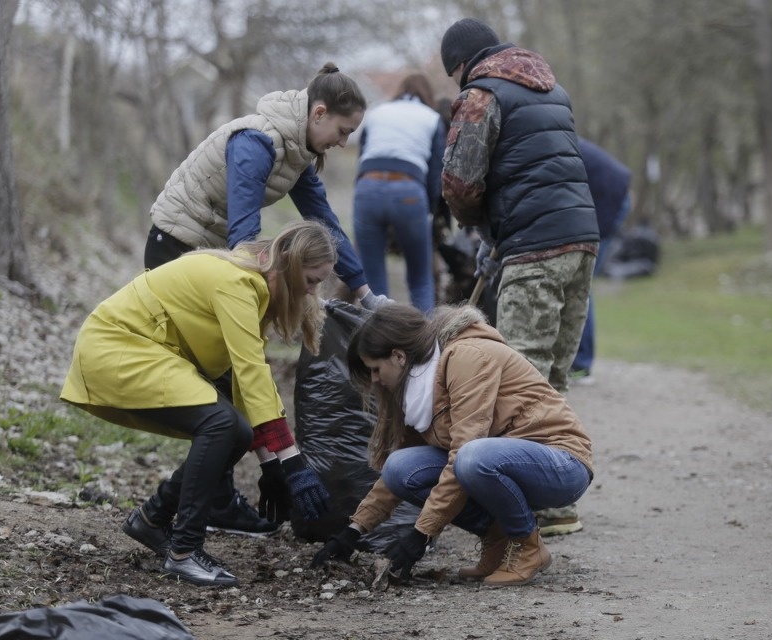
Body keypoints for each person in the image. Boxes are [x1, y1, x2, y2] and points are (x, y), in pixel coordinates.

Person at [144, 62, 390, 537]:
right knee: (216, 385)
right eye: (343, 130)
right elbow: (243, 237)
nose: (344, 142)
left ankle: (214, 496)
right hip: (178, 250)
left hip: (213, 254)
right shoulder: (257, 141)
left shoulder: (295, 150)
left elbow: (326, 227)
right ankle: (208, 502)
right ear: (319, 113)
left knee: (224, 382)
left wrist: (364, 294)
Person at [60, 221, 337, 587]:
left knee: (233, 428)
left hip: (147, 351)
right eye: (313, 279)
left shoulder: (252, 281)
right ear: (289, 262)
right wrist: (294, 464)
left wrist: (271, 464)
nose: (313, 291)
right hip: (117, 347)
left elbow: (245, 380)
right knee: (222, 424)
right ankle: (184, 552)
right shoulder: (239, 283)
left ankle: (152, 519)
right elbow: (252, 374)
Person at [438, 18, 599, 536]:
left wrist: (473, 226)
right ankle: (556, 506)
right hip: (581, 240)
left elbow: (460, 181)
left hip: (534, 248)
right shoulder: (553, 89)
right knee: (551, 378)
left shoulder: (480, 95)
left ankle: (523, 511)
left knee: (519, 380)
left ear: (461, 65)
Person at [309, 304, 593, 586]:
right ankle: (498, 538)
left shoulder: (466, 358)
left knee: (471, 457)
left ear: (397, 356)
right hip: (503, 460)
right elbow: (400, 470)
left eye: (374, 369)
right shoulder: (418, 390)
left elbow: (464, 451)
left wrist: (420, 535)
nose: (374, 380)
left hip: (562, 463)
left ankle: (528, 547)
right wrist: (354, 530)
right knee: (400, 469)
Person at [352, 73, 446, 313]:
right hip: (409, 189)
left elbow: (362, 155)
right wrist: (430, 212)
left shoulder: (377, 113)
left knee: (372, 286)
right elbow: (436, 173)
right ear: (427, 95)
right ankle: (425, 346)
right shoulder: (432, 118)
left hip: (368, 187)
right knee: (420, 279)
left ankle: (376, 344)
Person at [569, 137, 632, 386]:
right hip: (608, 197)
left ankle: (582, 366)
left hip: (610, 201)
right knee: (578, 282)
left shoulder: (553, 142)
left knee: (581, 283)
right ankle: (577, 362)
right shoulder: (552, 135)